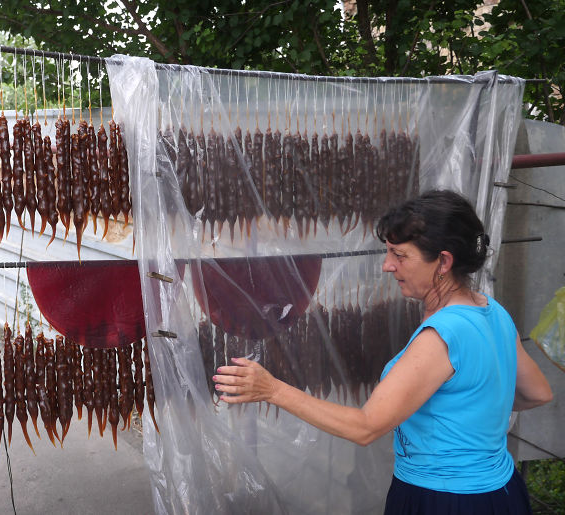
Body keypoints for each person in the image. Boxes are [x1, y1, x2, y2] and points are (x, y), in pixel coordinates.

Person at [213, 189, 553, 514]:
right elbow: (537, 393)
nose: (387, 265)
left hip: (446, 501)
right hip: (500, 493)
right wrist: (472, 415)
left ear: (443, 261)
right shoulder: (492, 311)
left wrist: (272, 390)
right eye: (389, 252)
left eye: (400, 255)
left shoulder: (443, 337)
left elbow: (365, 427)